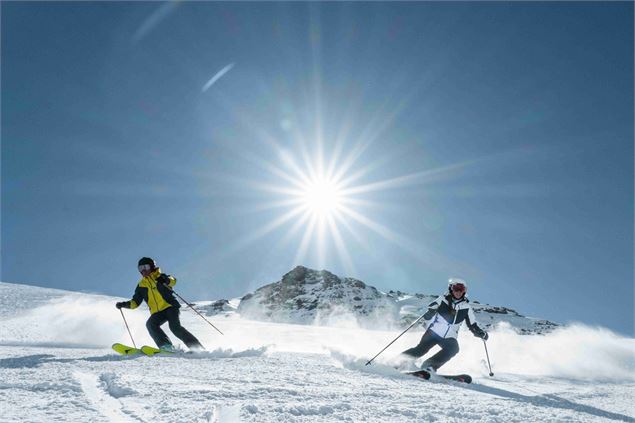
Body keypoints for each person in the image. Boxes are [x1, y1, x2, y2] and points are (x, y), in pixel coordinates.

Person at [116, 257, 204, 352]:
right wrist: (124, 305)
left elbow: (173, 280)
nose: (143, 270)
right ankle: (166, 347)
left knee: (175, 328)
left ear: (152, 266)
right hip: (157, 312)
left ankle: (197, 348)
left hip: (170, 307)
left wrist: (166, 279)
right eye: (140, 268)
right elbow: (135, 303)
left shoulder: (160, 277)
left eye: (145, 267)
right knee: (151, 324)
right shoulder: (141, 285)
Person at [401, 278, 488, 371]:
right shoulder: (442, 300)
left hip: (449, 337)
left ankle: (429, 365)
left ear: (464, 291)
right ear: (451, 289)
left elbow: (472, 325)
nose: (458, 292)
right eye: (456, 289)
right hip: (434, 333)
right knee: (421, 349)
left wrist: (480, 332)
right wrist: (431, 310)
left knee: (453, 349)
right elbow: (429, 312)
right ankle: (400, 361)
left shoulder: (466, 307)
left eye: (461, 289)